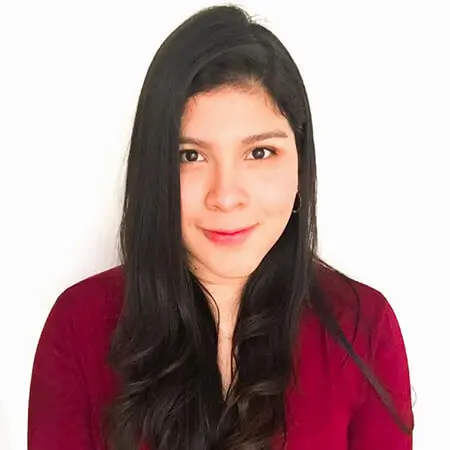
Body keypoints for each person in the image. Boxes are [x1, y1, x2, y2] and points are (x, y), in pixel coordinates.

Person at [27, 4, 414, 450]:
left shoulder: (362, 328)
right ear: (153, 171)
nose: (226, 196)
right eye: (190, 156)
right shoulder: (79, 326)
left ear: (301, 164)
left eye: (260, 153)